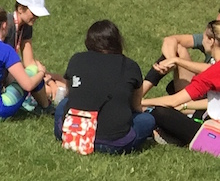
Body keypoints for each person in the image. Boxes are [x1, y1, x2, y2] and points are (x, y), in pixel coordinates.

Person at [55, 20, 153, 153]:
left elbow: (69, 93)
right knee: (147, 119)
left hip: (74, 135)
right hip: (113, 143)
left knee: (64, 103)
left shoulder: (77, 59)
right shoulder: (130, 66)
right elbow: (136, 106)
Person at [4, 0, 50, 71]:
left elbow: (29, 62)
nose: (37, 17)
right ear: (20, 9)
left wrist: (39, 72)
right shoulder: (6, 25)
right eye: (34, 13)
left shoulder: (27, 27)